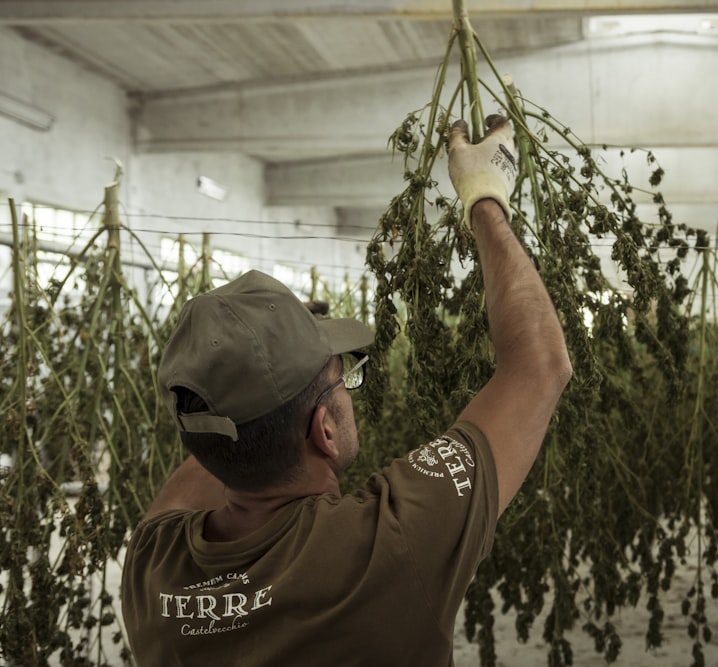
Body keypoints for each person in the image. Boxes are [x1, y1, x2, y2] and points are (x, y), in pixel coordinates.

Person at [120, 115, 572, 666]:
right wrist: (485, 197)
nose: (348, 389)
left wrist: (265, 346)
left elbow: (221, 436)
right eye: (343, 380)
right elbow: (539, 366)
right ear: (325, 430)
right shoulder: (388, 550)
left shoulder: (153, 571)